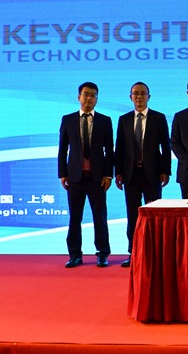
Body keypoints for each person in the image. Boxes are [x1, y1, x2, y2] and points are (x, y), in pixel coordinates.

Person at [114, 81, 171, 268]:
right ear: (130, 97)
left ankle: (156, 254)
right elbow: (119, 148)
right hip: (130, 175)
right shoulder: (124, 120)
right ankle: (133, 253)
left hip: (152, 174)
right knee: (133, 216)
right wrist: (118, 172)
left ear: (149, 97)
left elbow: (166, 147)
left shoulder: (158, 118)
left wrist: (165, 171)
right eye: (135, 93)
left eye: (142, 93)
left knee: (154, 216)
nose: (139, 97)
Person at [57, 82, 114, 268]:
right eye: (85, 94)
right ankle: (75, 255)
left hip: (97, 178)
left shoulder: (105, 121)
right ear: (78, 97)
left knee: (100, 217)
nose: (89, 98)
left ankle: (102, 254)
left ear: (97, 99)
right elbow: (63, 149)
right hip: (75, 177)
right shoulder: (68, 120)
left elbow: (109, 151)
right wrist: (62, 173)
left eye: (93, 95)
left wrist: (108, 175)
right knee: (75, 217)